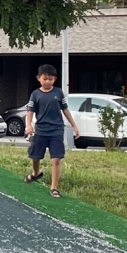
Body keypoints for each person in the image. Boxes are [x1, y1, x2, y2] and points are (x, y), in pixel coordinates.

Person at [24, 64, 80, 199]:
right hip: (41, 130)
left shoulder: (58, 93)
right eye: (45, 79)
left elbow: (65, 110)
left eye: (51, 79)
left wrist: (74, 126)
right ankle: (36, 173)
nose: (47, 82)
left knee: (56, 159)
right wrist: (28, 126)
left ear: (55, 79)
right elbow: (30, 112)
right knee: (35, 156)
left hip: (56, 130)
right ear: (38, 78)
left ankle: (54, 188)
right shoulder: (35, 94)